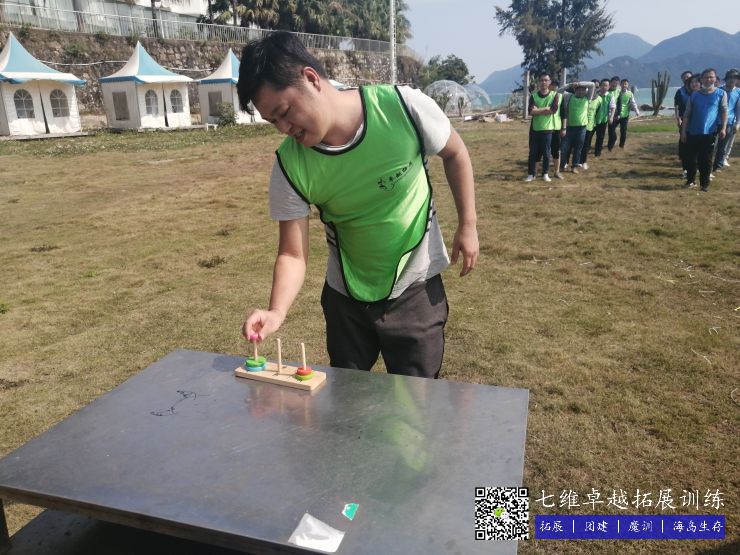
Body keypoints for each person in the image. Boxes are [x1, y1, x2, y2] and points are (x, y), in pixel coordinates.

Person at [236, 32, 479, 379]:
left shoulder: (402, 107)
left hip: (416, 289)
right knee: (347, 401)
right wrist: (276, 311)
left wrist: (467, 225)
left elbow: (455, 152)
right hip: (346, 300)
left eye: (285, 112)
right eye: (273, 122)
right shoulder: (290, 165)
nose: (284, 128)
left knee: (417, 401)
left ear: (310, 78)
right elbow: (292, 254)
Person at [681, 68, 728, 192]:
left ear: (715, 78)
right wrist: (683, 131)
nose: (708, 79)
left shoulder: (721, 94)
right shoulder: (694, 95)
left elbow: (724, 111)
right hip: (693, 131)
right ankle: (691, 181)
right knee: (691, 158)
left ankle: (704, 184)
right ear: (701, 79)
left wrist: (723, 128)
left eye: (711, 77)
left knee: (706, 160)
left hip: (710, 132)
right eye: (706, 77)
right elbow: (687, 114)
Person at [525, 73, 560, 182]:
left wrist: (538, 110)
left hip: (548, 129)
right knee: (533, 152)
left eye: (546, 80)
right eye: (541, 80)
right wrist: (545, 109)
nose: (543, 82)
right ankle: (531, 174)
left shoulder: (554, 95)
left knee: (546, 153)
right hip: (535, 129)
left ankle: (545, 173)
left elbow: (553, 110)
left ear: (549, 82)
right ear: (538, 82)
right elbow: (531, 111)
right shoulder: (534, 96)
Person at [560, 82, 594, 173]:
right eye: (579, 89)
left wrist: (579, 83)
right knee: (564, 148)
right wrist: (570, 85)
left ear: (586, 91)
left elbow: (592, 85)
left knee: (578, 149)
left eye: (583, 90)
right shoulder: (568, 96)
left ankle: (574, 166)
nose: (581, 91)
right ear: (575, 90)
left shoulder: (588, 98)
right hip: (569, 128)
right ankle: (562, 165)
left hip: (582, 128)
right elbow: (558, 91)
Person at [713, 68, 739, 171]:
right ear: (726, 79)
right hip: (714, 121)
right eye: (730, 77)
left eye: (735, 78)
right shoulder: (718, 90)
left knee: (722, 145)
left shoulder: (738, 92)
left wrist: (737, 123)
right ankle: (705, 163)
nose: (732, 80)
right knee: (710, 144)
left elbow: (738, 109)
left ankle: (718, 165)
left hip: (729, 122)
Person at [674, 70, 694, 176]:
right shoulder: (680, 92)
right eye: (684, 77)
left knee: (696, 145)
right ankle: (685, 168)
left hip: (696, 121)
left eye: (688, 77)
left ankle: (695, 167)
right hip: (683, 121)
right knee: (684, 144)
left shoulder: (698, 90)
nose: (687, 78)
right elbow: (676, 107)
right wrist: (678, 119)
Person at [579, 80, 602, 169]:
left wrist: (597, 123)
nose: (595, 88)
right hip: (579, 124)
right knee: (578, 144)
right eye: (593, 86)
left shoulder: (599, 99)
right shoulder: (584, 96)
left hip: (590, 125)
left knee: (586, 145)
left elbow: (598, 112)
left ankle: (583, 161)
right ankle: (576, 161)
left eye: (597, 87)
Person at [614, 78, 640, 149]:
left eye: (626, 84)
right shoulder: (617, 92)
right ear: (620, 84)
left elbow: (633, 103)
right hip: (616, 115)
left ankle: (621, 146)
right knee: (612, 129)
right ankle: (614, 139)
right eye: (623, 84)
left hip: (625, 115)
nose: (624, 85)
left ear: (627, 85)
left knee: (623, 131)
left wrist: (637, 111)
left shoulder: (630, 93)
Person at [592, 78, 615, 158]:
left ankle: (597, 154)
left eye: (606, 85)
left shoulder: (610, 96)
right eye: (603, 85)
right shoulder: (595, 95)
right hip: (592, 120)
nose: (604, 87)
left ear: (609, 87)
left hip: (603, 120)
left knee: (600, 137)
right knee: (588, 137)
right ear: (600, 86)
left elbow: (613, 107)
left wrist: (611, 117)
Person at [606, 76, 621, 151]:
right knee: (611, 130)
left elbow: (619, 103)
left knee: (611, 130)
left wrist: (619, 114)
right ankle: (614, 139)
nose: (615, 84)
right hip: (605, 112)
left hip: (614, 113)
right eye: (614, 83)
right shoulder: (606, 90)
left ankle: (610, 146)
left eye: (617, 83)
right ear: (611, 82)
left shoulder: (618, 91)